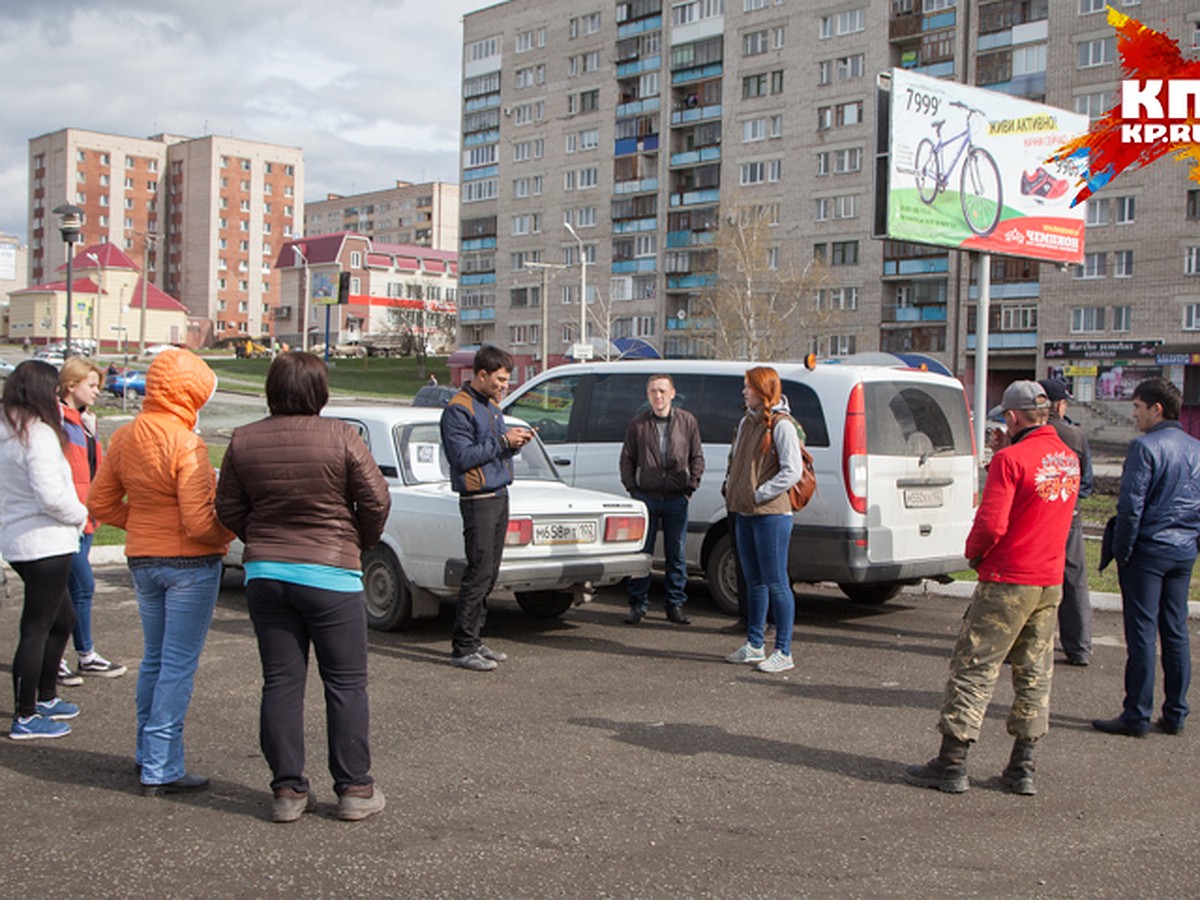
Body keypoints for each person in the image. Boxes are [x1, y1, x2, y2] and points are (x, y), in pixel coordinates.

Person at [216, 351, 391, 822]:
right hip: (331, 575)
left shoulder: (243, 440)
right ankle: (355, 788)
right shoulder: (342, 436)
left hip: (267, 576)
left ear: (272, 389)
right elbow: (376, 499)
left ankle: (287, 792)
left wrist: (259, 538)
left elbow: (227, 507)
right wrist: (360, 541)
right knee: (346, 682)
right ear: (320, 392)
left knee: (281, 681)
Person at [906, 381, 1078, 795]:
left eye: (1005, 416)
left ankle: (952, 762)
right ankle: (1023, 766)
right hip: (1048, 579)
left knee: (974, 668)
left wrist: (973, 555)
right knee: (1035, 672)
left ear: (1014, 418)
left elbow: (991, 524)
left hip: (1008, 578)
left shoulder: (1010, 459)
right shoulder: (1068, 459)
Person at [88, 349, 235, 796]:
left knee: (154, 659)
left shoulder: (127, 436)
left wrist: (145, 523)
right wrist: (230, 528)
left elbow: (100, 503)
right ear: (189, 393)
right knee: (176, 665)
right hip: (189, 564)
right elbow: (198, 523)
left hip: (143, 560)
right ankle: (161, 766)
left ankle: (145, 752)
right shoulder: (186, 442)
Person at [1093, 377, 1200, 738]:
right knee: (1175, 631)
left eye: (1138, 407)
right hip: (1182, 550)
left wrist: (1122, 551)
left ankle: (1137, 713)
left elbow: (1131, 505)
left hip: (1148, 550)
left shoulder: (1145, 447)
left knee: (1141, 634)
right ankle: (1176, 713)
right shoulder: (1195, 447)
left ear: (1157, 409)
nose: (1134, 414)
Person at [0, 360, 90, 740]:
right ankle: (26, 714)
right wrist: (80, 513)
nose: (57, 398)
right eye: (54, 392)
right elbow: (52, 495)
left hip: (21, 540)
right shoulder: (36, 433)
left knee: (62, 618)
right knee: (37, 626)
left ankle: (47, 696)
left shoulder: (8, 427)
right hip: (45, 541)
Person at [440, 345, 532, 671]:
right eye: (501, 379)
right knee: (477, 572)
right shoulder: (457, 410)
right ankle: (462, 647)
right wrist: (504, 442)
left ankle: (475, 640)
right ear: (482, 375)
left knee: (490, 573)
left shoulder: (491, 406)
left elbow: (492, 450)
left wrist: (515, 442)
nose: (506, 385)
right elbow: (463, 458)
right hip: (478, 501)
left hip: (499, 495)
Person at [722, 366, 803, 674]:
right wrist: (734, 490)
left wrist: (759, 494)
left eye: (749, 387)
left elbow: (791, 471)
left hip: (771, 515)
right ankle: (754, 644)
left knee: (776, 581)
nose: (744, 392)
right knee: (753, 580)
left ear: (763, 390)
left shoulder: (782, 425)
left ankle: (784, 650)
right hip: (744, 511)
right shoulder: (746, 422)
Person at [58, 356, 127, 685]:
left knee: (74, 588)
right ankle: (74, 655)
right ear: (71, 385)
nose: (97, 391)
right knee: (79, 586)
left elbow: (93, 467)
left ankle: (78, 655)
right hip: (68, 518)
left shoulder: (84, 422)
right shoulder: (58, 421)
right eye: (91, 385)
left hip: (86, 518)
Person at [619, 373, 704, 625]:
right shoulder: (638, 425)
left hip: (678, 498)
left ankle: (675, 605)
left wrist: (691, 488)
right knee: (641, 554)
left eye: (662, 391)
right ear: (647, 395)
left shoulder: (687, 421)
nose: (658, 396)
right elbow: (627, 459)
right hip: (646, 497)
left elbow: (697, 457)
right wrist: (633, 489)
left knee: (676, 555)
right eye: (653, 391)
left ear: (673, 393)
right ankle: (637, 605)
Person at [1038, 376, 1094, 667]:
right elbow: (1087, 483)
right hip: (1068, 516)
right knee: (1074, 580)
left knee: (1029, 577)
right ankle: (1079, 646)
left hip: (1034, 518)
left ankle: (1026, 643)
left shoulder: (1025, 433)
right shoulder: (1075, 435)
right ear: (1058, 404)